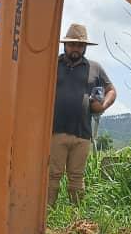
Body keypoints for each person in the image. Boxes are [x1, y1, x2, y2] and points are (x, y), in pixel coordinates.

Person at [49, 23, 116, 205]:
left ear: (85, 47)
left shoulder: (95, 68)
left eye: (79, 45)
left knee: (77, 178)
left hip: (83, 134)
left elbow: (111, 90)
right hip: (56, 131)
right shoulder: (52, 64)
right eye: (72, 44)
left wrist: (103, 105)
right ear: (65, 45)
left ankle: (76, 217)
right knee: (52, 176)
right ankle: (47, 215)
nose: (75, 48)